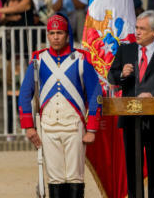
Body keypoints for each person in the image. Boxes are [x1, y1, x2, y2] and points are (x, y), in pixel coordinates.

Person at [18, 13, 102, 197]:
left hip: (74, 127)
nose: (55, 37)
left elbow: (96, 94)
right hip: (48, 128)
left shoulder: (81, 59)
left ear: (67, 35)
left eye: (60, 33)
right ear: (47, 35)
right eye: (51, 33)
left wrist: (92, 129)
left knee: (75, 177)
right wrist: (28, 127)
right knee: (54, 178)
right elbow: (25, 95)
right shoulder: (38, 60)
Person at [108, 11, 154, 198]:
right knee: (132, 167)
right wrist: (122, 74)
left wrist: (153, 94)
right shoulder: (125, 50)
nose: (137, 32)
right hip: (130, 119)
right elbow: (111, 75)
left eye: (142, 29)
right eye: (136, 28)